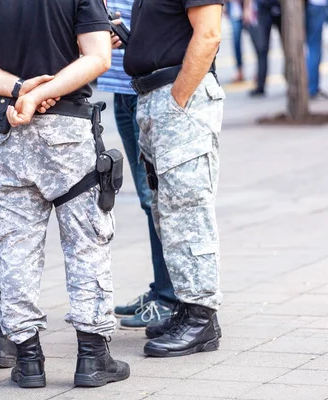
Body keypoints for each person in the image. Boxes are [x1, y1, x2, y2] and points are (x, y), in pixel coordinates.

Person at [0, 0, 130, 389]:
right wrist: (43, 92)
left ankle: (28, 360)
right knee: (87, 242)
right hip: (67, 129)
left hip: (5, 128)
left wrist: (20, 90)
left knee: (13, 248)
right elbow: (98, 56)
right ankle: (92, 357)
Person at [124, 0, 225, 357]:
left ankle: (201, 319)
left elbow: (209, 33)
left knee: (188, 213)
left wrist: (177, 100)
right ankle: (187, 306)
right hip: (157, 98)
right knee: (167, 214)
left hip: (179, 98)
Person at [96, 2, 177, 331]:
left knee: (161, 197)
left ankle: (172, 299)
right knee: (149, 199)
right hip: (123, 89)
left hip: (152, 87)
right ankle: (162, 289)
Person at [247, 0, 282, 97]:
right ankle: (260, 84)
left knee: (289, 48)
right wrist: (248, 7)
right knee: (262, 49)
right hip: (263, 7)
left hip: (282, 6)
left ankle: (291, 80)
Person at [306, 0, 328, 99]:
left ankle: (310, 87)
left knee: (311, 47)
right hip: (316, 4)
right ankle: (312, 88)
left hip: (309, 5)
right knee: (314, 48)